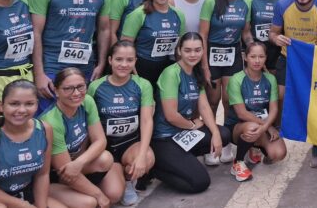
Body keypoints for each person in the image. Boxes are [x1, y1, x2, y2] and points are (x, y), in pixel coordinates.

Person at [29, 0, 111, 111]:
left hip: (84, 67)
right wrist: (39, 74)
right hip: (51, 66)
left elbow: (104, 29)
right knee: (48, 120)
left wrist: (101, 63)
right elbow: (35, 32)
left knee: (78, 118)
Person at [269, 0, 317, 168]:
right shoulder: (282, 5)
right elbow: (273, 33)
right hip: (287, 57)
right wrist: (276, 38)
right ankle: (274, 136)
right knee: (280, 95)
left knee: (313, 101)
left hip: (314, 61)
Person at [150, 33, 231, 193]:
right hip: (165, 138)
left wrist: (215, 133)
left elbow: (204, 107)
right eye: (187, 50)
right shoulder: (171, 73)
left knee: (223, 134)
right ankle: (153, 169)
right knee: (200, 182)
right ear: (179, 50)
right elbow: (171, 115)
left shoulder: (196, 72)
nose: (193, 54)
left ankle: (181, 160)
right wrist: (192, 125)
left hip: (183, 134)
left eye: (197, 50)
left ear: (202, 51)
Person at [0, 80, 70, 208]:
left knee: (85, 203)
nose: (22, 110)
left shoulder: (45, 129)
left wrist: (41, 206)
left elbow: (42, 174)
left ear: (37, 105)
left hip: (26, 194)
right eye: (14, 104)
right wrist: (24, 206)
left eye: (29, 104)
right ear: (1, 106)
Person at [41, 68, 124, 207]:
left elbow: (100, 140)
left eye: (81, 86)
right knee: (89, 203)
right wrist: (99, 194)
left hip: (78, 163)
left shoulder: (87, 101)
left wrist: (78, 163)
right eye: (68, 88)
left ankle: (111, 172)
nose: (76, 93)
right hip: (57, 175)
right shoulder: (51, 121)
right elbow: (65, 171)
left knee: (113, 189)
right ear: (56, 91)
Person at [88, 41, 155, 206]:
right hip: (105, 147)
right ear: (110, 60)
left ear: (135, 62)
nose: (124, 64)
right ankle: (111, 178)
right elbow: (87, 123)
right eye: (119, 59)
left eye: (129, 60)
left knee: (147, 158)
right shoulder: (95, 87)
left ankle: (128, 180)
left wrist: (140, 157)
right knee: (114, 195)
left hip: (130, 144)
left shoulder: (143, 84)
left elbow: (147, 120)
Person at [225, 42, 286, 182]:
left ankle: (254, 147)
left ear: (266, 58)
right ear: (245, 57)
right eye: (253, 56)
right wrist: (267, 127)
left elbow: (274, 109)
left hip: (261, 125)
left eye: (261, 56)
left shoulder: (270, 79)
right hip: (238, 127)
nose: (257, 61)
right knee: (252, 127)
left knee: (278, 154)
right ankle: (238, 162)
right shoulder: (236, 79)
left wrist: (265, 127)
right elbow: (242, 113)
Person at [199, 0, 251, 120]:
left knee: (229, 100)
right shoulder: (211, 2)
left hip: (233, 53)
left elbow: (246, 32)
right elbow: (203, 34)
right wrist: (205, 67)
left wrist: (253, 47)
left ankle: (228, 133)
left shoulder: (245, 2)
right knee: (213, 100)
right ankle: (211, 131)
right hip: (212, 53)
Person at [121, 0, 186, 86]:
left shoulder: (178, 14)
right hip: (141, 67)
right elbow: (125, 47)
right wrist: (133, 74)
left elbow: (179, 48)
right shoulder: (138, 14)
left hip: (166, 68)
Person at [245, 0, 283, 73]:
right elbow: (246, 29)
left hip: (277, 53)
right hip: (255, 52)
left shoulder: (285, 1)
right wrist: (253, 51)